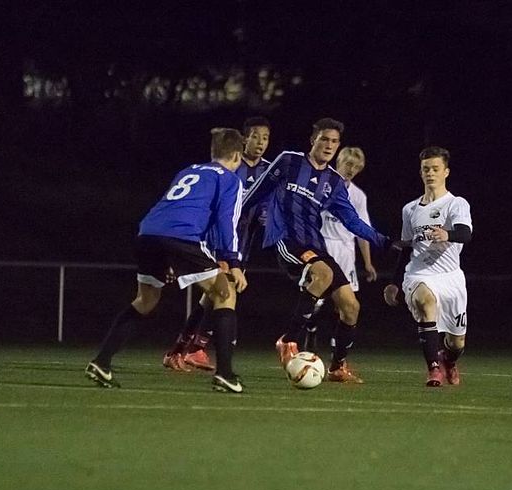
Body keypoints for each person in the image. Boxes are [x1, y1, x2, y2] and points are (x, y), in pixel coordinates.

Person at [84, 127, 249, 393]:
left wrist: (170, 259)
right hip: (181, 236)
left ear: (213, 151)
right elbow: (226, 221)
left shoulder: (188, 171)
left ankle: (101, 362)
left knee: (146, 300)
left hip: (148, 232)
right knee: (225, 293)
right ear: (238, 156)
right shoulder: (230, 179)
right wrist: (234, 262)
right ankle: (226, 374)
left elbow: (175, 208)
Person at [241, 118, 391, 383]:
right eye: (324, 139)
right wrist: (233, 222)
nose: (329, 146)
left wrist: (384, 241)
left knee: (351, 307)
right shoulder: (289, 161)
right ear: (313, 140)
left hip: (315, 246)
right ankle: (288, 341)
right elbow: (255, 193)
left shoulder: (334, 181)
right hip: (288, 241)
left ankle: (337, 367)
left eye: (334, 142)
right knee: (323, 274)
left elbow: (352, 221)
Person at [162, 117, 272, 372]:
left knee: (211, 298)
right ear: (244, 140)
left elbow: (268, 204)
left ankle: (180, 349)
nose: (260, 142)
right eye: (255, 136)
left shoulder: (269, 171)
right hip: (219, 240)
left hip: (243, 242)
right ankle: (198, 349)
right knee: (224, 293)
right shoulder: (228, 169)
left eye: (266, 138)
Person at [383, 146, 472, 387]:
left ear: (446, 172)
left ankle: (448, 360)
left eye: (435, 169)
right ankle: (434, 368)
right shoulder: (410, 209)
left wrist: (447, 234)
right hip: (419, 274)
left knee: (457, 343)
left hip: (450, 277)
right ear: (421, 172)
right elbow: (406, 246)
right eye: (426, 169)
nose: (430, 173)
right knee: (425, 302)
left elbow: (465, 233)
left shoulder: (456, 204)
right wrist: (393, 282)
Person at [303, 146, 378, 351]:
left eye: (356, 167)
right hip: (322, 246)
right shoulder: (321, 184)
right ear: (339, 162)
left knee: (345, 304)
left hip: (345, 251)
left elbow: (362, 230)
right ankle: (310, 331)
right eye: (348, 164)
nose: (351, 170)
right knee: (315, 298)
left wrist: (368, 262)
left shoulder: (358, 196)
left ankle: (337, 348)